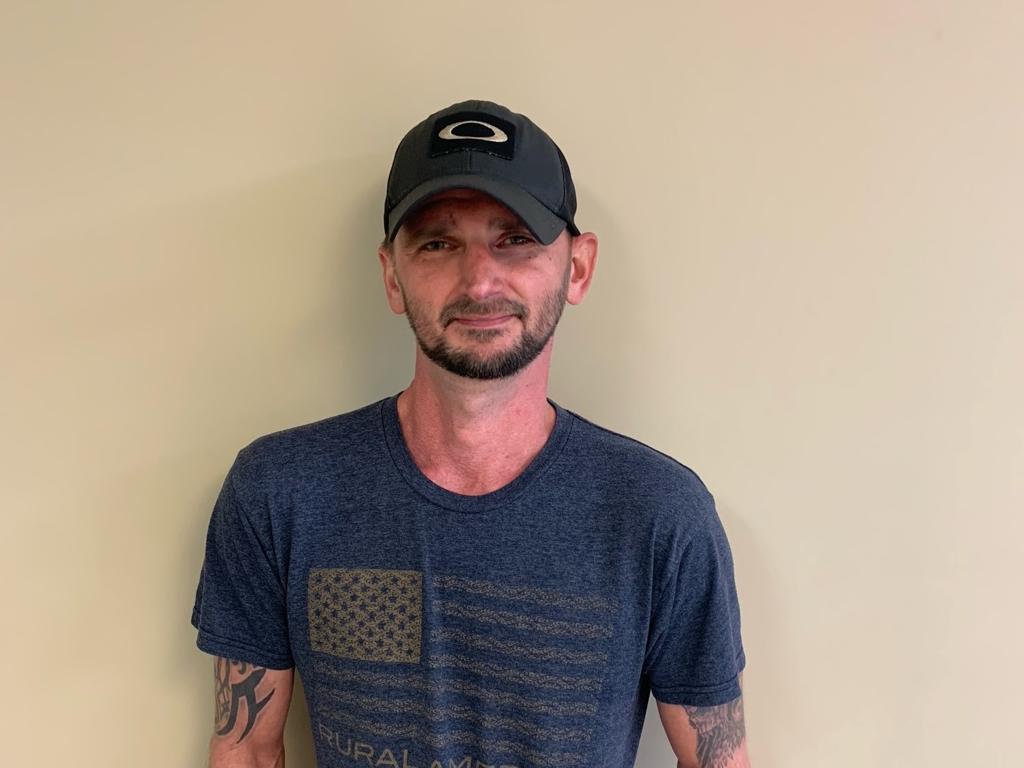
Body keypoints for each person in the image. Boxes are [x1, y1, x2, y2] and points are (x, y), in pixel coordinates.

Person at [191, 99, 749, 768]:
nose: (479, 281)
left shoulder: (659, 514)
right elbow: (247, 748)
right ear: (392, 276)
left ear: (577, 267)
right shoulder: (280, 492)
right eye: (438, 243)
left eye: (515, 239)